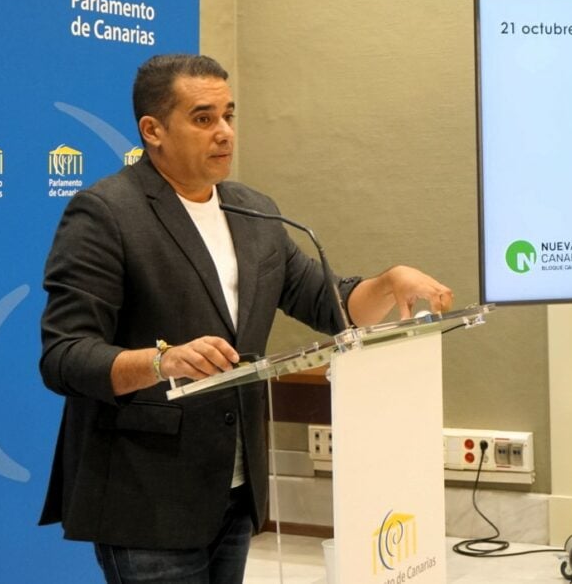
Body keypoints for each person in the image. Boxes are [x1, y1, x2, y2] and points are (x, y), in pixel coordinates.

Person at [38, 54, 454, 584]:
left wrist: (389, 282)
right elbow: (65, 356)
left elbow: (331, 305)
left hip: (235, 491)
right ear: (153, 130)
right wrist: (163, 362)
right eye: (203, 118)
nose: (225, 132)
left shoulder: (252, 211)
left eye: (229, 115)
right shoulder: (106, 213)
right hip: (145, 495)